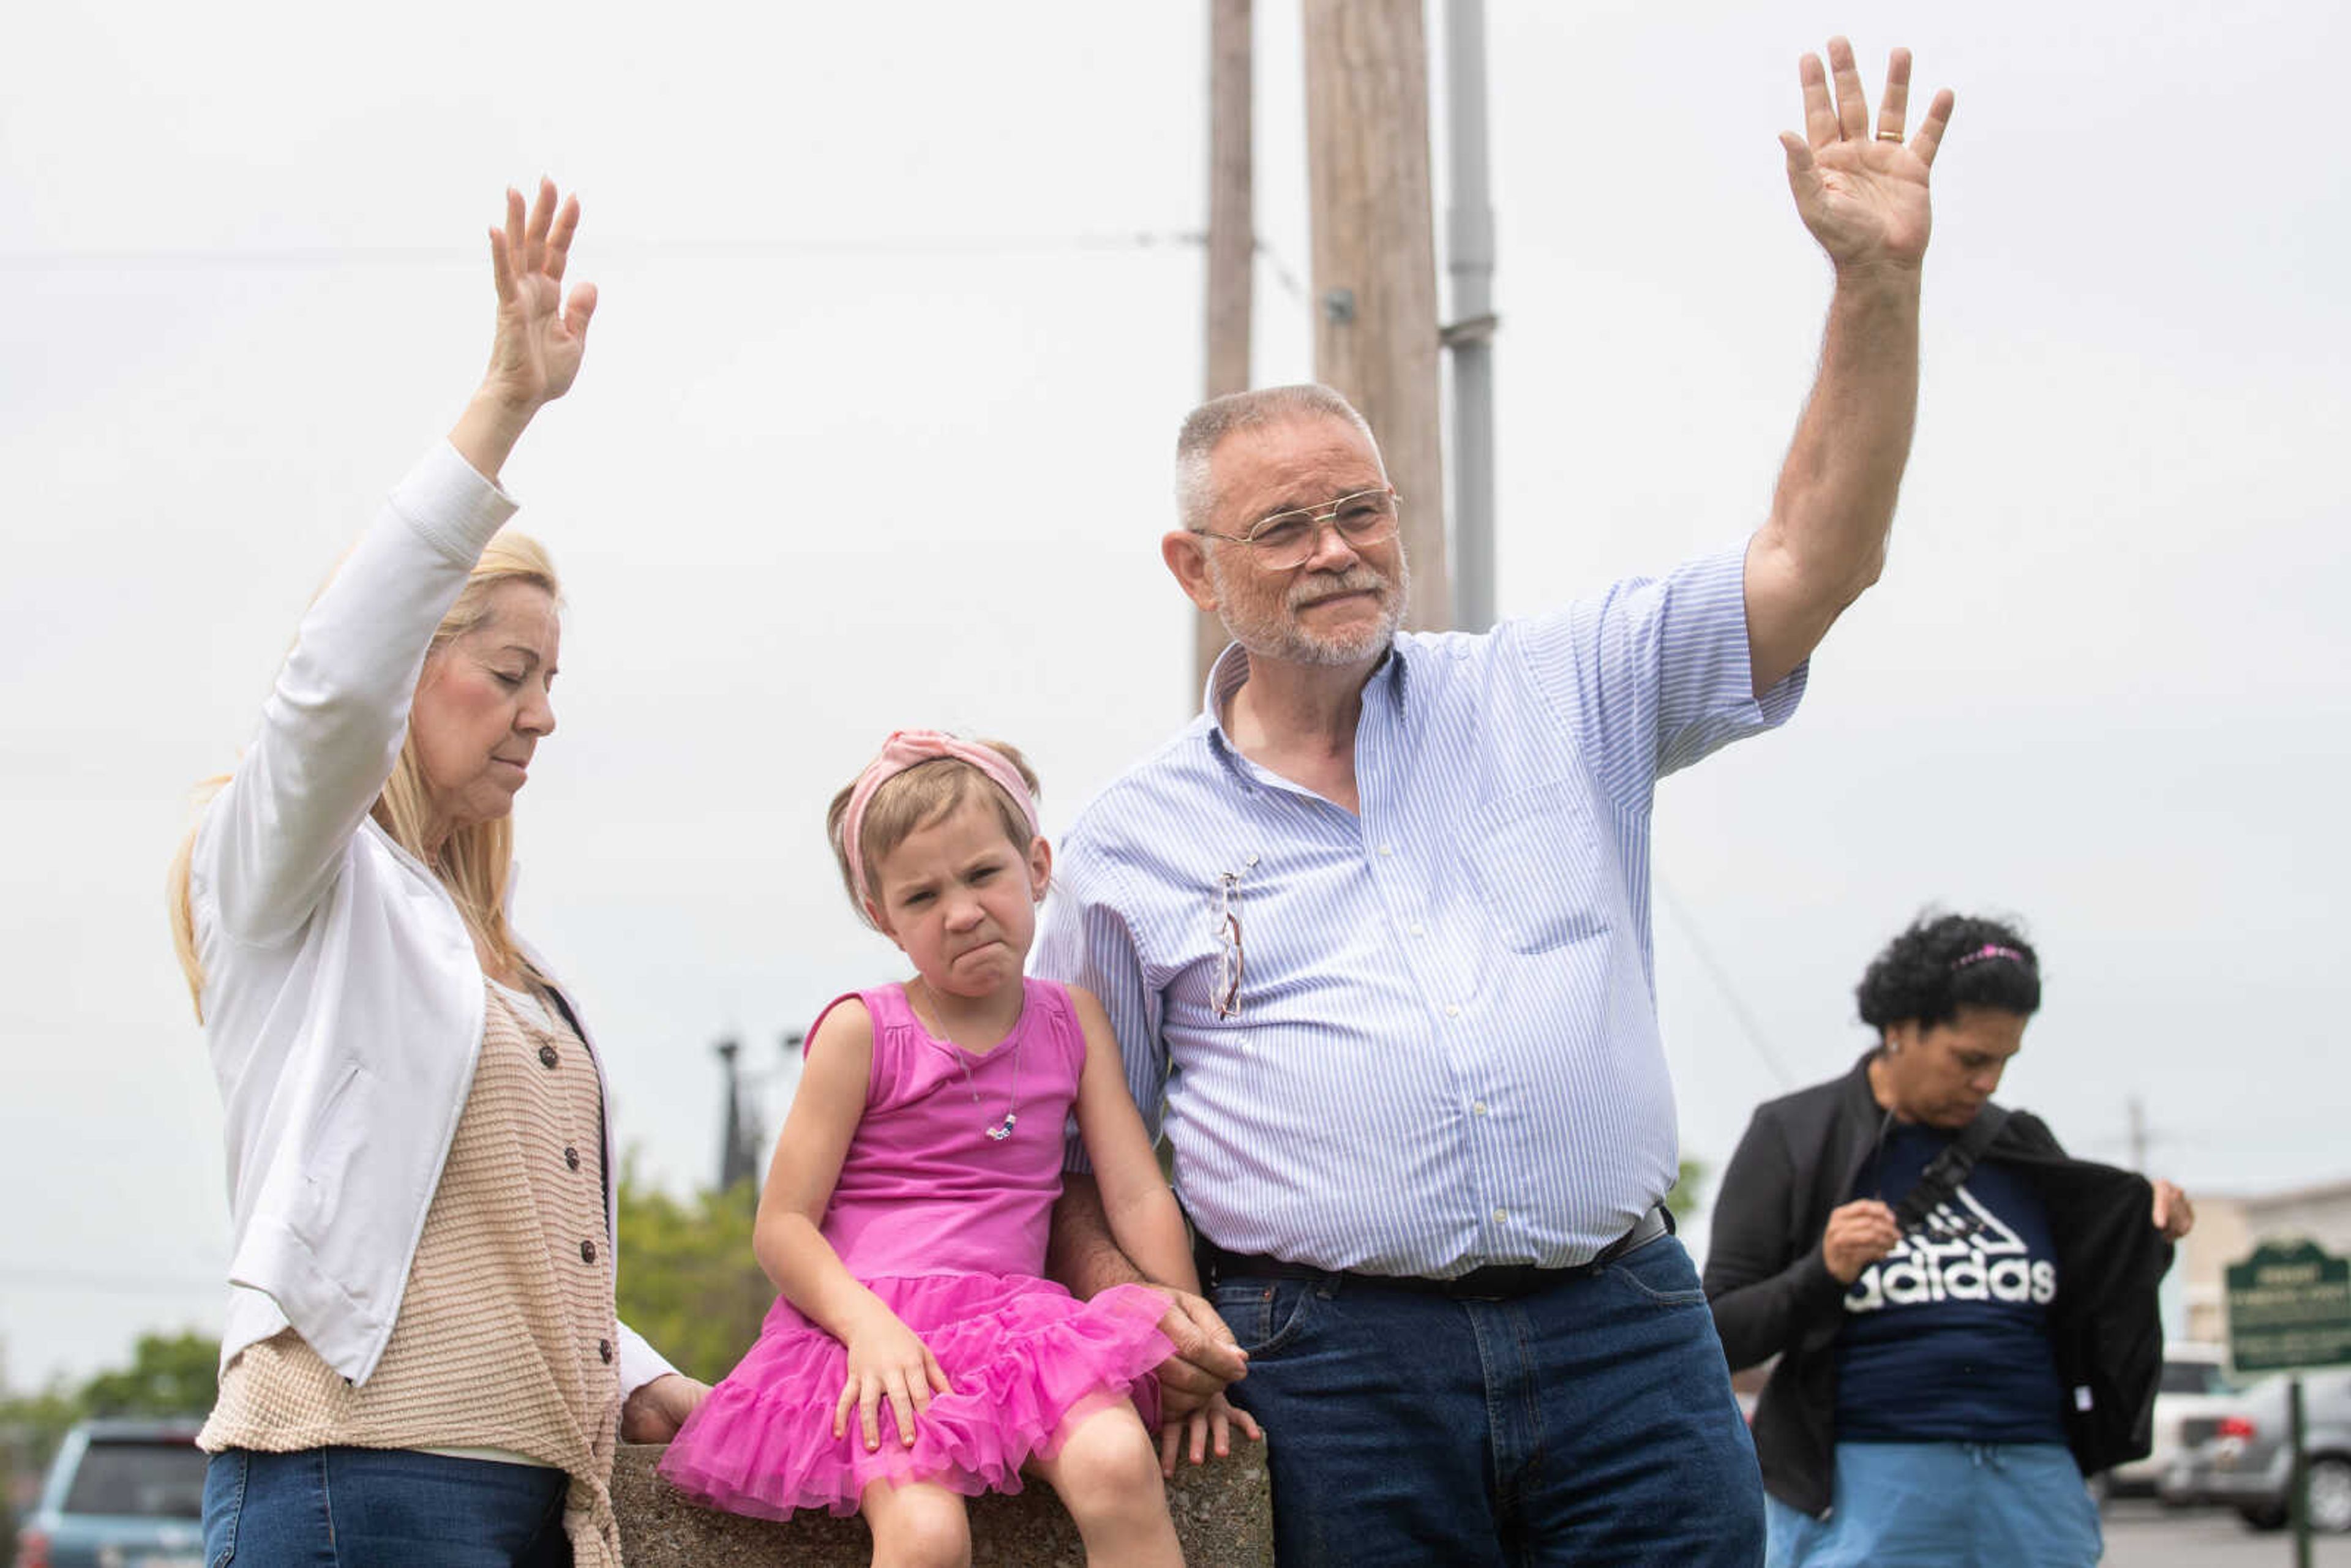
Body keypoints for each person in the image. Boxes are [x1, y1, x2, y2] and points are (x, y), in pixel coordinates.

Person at [1035, 37, 1953, 1567]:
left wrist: (1872, 288)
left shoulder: (1559, 688)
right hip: (1325, 1357)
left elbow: (1813, 559)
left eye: (1359, 507)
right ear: (1194, 569)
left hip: (1621, 1329)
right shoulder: (1130, 842)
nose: (1338, 548)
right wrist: (1134, 1300)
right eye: (1283, 526)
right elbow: (1075, 1154)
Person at [168, 181, 707, 1568]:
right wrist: (503, 404)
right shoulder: (291, 871)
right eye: (508, 672)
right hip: (355, 1482)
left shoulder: (496, 950)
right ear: (415, 665)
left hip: (526, 1499)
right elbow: (330, 683)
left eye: (551, 681)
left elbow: (480, 1236)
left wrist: (639, 1372)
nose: (539, 713)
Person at [659, 731, 1255, 1566]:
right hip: (867, 1335)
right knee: (927, 1534)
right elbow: (783, 1226)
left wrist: (1187, 1341)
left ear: (1037, 867)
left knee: (1118, 1464)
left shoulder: (1072, 1020)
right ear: (883, 918)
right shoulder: (862, 1031)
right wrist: (868, 1328)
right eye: (922, 895)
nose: (963, 911)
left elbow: (1136, 1193)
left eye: (983, 874)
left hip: (1018, 1323)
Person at [1703, 913, 2195, 1567]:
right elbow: (1718, 1331)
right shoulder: (1795, 1133)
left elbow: (2091, 1302)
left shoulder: (2022, 1143)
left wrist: (2145, 1234)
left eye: (2004, 1061)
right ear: (1900, 1029)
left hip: (2035, 1478)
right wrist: (1823, 1270)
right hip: (1867, 1480)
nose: (1989, 1081)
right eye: (1970, 1059)